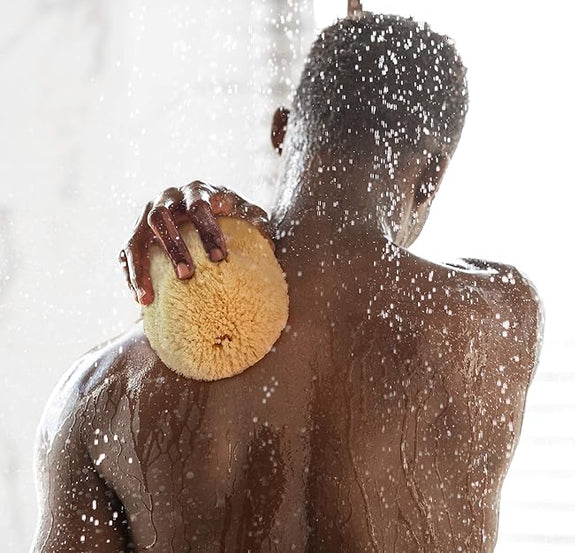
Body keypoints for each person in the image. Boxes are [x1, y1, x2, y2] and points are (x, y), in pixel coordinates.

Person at [31, 12, 543, 553]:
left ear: (281, 130)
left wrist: (221, 238)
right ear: (432, 173)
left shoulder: (99, 390)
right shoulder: (499, 320)